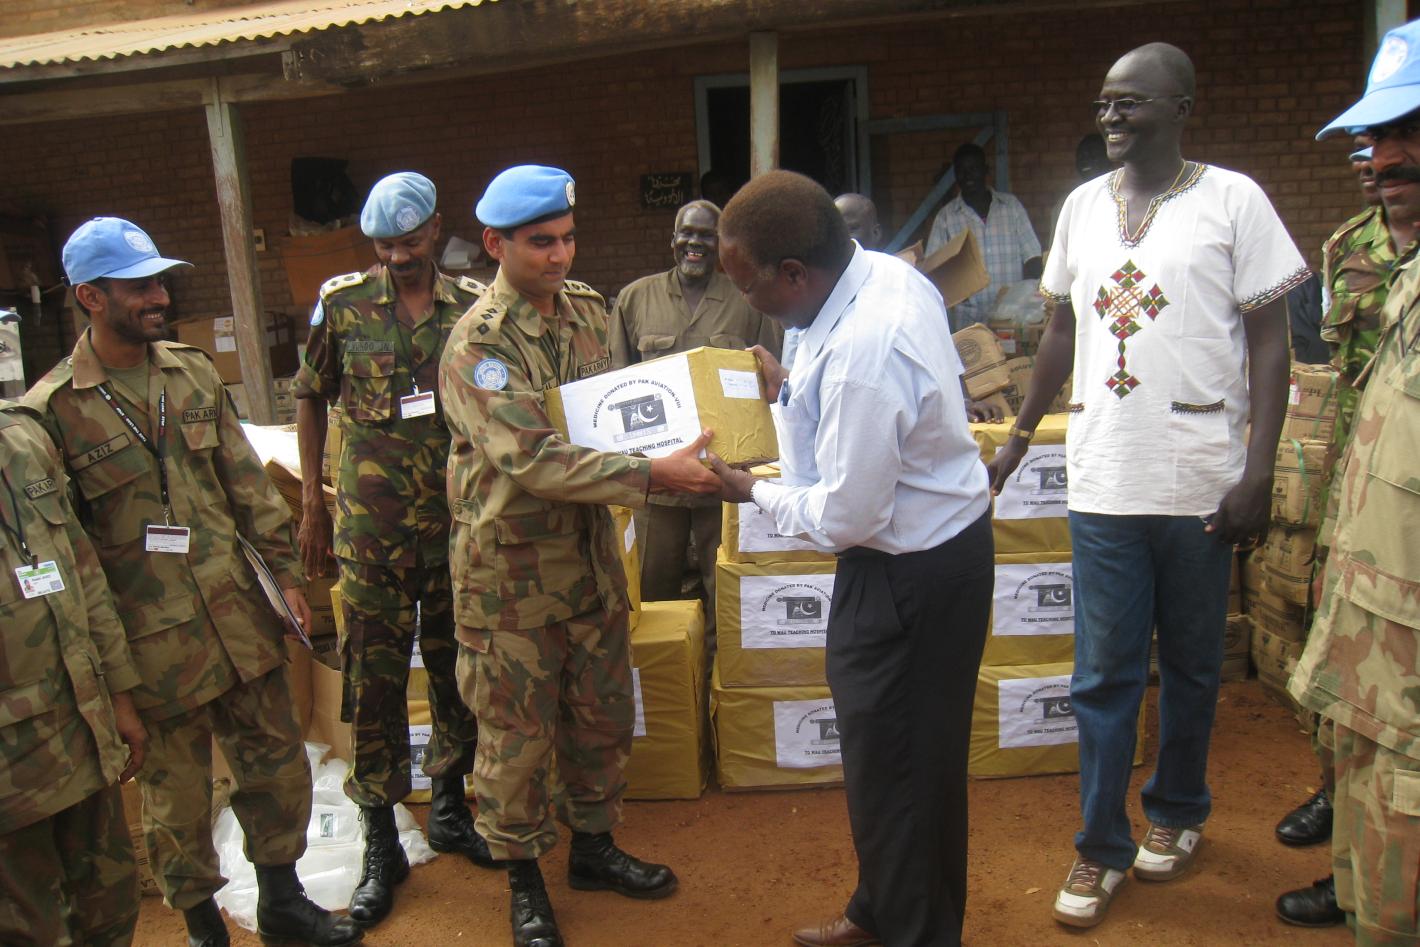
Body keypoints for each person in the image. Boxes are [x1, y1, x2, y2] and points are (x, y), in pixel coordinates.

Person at [987, 43, 1307, 930]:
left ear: (1182, 107)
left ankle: (1178, 808)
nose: (1112, 116)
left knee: (1194, 664)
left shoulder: (1234, 200)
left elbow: (1271, 341)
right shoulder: (1082, 206)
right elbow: (1060, 332)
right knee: (1103, 674)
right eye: (1104, 103)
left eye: (1130, 101)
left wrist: (1258, 467)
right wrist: (1020, 433)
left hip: (1202, 479)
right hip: (1104, 477)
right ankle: (1099, 846)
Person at [26, 218, 362, 947]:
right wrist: (110, 678)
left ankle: (282, 901)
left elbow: (246, 484)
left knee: (275, 765)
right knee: (175, 798)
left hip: (237, 614)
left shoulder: (191, 372)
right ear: (89, 297)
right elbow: (73, 562)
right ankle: (203, 926)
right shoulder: (52, 413)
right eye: (138, 286)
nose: (158, 296)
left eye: (158, 281)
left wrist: (283, 576)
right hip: (151, 647)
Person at [710, 169, 995, 947]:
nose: (745, 300)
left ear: (794, 273)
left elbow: (844, 515)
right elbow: (835, 445)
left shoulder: (868, 349)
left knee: (907, 768)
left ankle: (918, 932)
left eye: (747, 283)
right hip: (906, 557)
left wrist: (751, 491)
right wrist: (789, 391)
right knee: (886, 762)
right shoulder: (874, 282)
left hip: (912, 570)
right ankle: (884, 909)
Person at [439, 165, 721, 947]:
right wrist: (655, 474)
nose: (560, 255)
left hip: (591, 560)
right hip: (511, 578)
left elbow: (621, 409)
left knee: (601, 716)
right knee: (516, 738)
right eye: (541, 242)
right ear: (495, 244)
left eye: (567, 238)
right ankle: (524, 879)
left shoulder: (590, 311)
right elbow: (533, 457)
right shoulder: (480, 344)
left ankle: (593, 848)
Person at [293, 172, 494, 926]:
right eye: (383, 246)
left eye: (409, 242)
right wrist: (312, 502)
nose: (398, 257)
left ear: (435, 229)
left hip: (455, 530)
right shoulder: (344, 305)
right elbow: (309, 393)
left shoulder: (472, 307)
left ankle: (449, 808)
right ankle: (382, 841)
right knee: (372, 687)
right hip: (371, 537)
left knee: (455, 672)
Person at [1289, 23, 1420, 945]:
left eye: (1412, 130)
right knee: (1363, 749)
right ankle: (1358, 888)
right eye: (1378, 136)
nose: (1387, 156)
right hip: (1372, 558)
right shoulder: (1386, 267)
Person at [1273, 137, 1397, 930]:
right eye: (1363, 145)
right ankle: (1345, 827)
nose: (1367, 160)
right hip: (1356, 488)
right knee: (1341, 666)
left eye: (1389, 141)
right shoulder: (1350, 246)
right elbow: (1332, 367)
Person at [0, 404, 146, 947]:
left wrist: (120, 699)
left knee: (111, 904)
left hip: (80, 731)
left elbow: (84, 576)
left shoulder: (22, 439)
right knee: (29, 928)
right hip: (10, 770)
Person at [609, 199, 780, 645]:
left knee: (726, 592)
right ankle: (667, 685)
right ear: (672, 239)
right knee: (652, 593)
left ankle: (720, 680)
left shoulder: (748, 301)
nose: (694, 243)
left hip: (724, 479)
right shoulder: (635, 299)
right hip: (658, 480)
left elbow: (770, 388)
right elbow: (615, 385)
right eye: (687, 233)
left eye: (706, 235)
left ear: (721, 244)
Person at [925, 142, 1043, 330]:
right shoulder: (946, 218)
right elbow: (932, 270)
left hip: (1009, 319)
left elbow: (1033, 257)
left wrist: (1025, 297)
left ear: (986, 170)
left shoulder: (1011, 207)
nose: (968, 175)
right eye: (961, 171)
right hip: (967, 321)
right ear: (955, 175)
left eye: (973, 168)